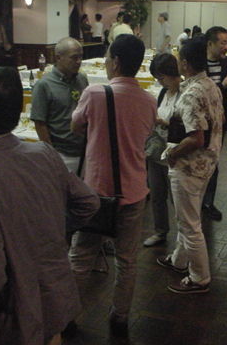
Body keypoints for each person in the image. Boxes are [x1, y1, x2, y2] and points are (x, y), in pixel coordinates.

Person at [0, 66, 99, 345]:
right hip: (54, 301)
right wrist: (49, 229)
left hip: (10, 319)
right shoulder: (43, 153)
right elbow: (88, 202)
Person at [70, 34, 156, 335]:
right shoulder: (149, 101)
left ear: (116, 61)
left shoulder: (94, 94)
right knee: (127, 260)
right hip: (134, 191)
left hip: (95, 191)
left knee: (81, 257)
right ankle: (120, 317)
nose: (106, 62)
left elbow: (75, 126)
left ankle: (68, 317)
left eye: (108, 57)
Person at [157, 37, 223, 294]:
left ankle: (199, 277)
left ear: (184, 63)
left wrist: (172, 153)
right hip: (207, 161)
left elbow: (196, 138)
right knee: (187, 215)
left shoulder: (192, 93)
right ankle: (179, 259)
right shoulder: (210, 85)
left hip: (189, 165)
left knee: (189, 223)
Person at [30, 37, 88, 173]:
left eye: (81, 57)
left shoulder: (81, 79)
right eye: (74, 57)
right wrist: (52, 155)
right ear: (58, 58)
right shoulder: (44, 85)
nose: (79, 61)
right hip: (61, 153)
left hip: (84, 150)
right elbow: (40, 123)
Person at [143, 53, 182, 247]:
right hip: (157, 150)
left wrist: (165, 123)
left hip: (176, 152)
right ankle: (160, 231)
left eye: (161, 77)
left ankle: (184, 236)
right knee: (157, 195)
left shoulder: (185, 93)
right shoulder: (162, 93)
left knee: (178, 198)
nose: (160, 81)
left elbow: (188, 126)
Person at [203, 26, 227, 220]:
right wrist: (222, 85)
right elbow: (199, 91)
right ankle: (196, 199)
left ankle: (208, 202)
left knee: (214, 160)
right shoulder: (199, 63)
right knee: (198, 159)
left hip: (220, 119)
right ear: (210, 44)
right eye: (223, 42)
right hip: (201, 119)